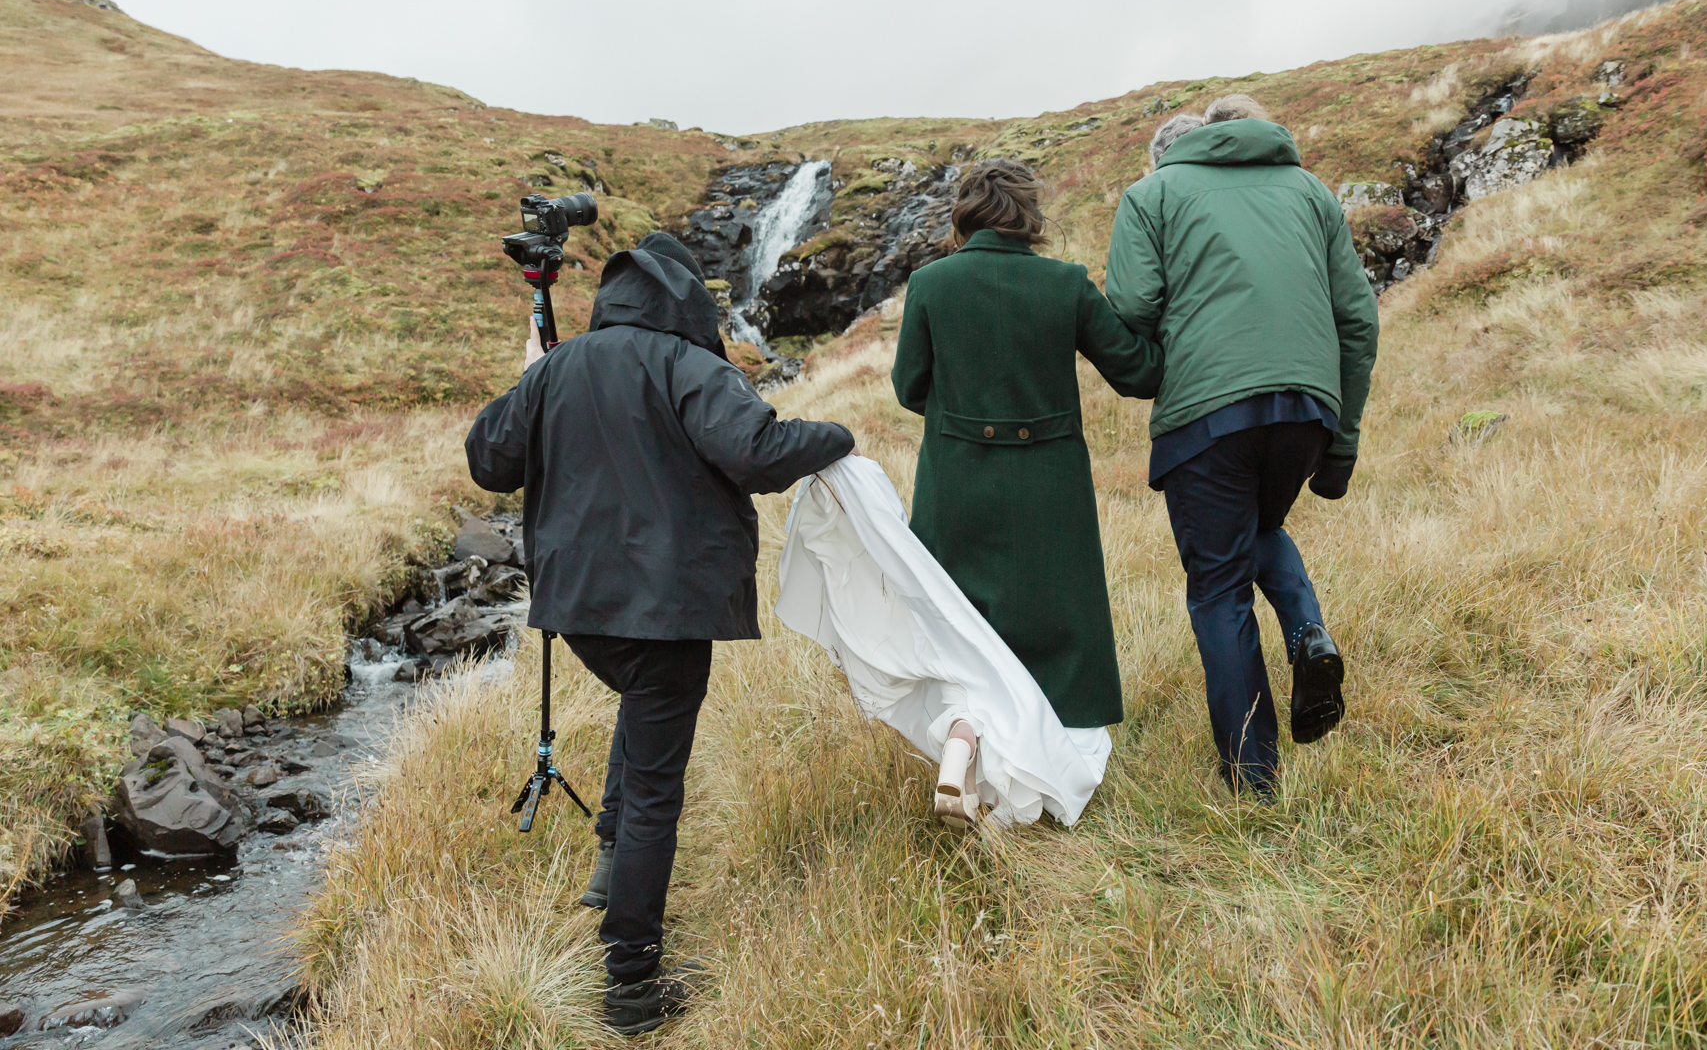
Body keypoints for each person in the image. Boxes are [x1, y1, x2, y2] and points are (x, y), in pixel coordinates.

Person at [465, 231, 854, 1035]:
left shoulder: (561, 366)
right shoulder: (693, 367)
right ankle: (633, 985)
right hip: (668, 609)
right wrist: (839, 438)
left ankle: (609, 870)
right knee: (656, 789)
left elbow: (488, 461)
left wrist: (534, 380)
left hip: (577, 607)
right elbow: (758, 451)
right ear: (687, 299)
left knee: (639, 718)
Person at [1104, 94, 1379, 802]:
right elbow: (1357, 316)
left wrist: (1151, 366)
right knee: (1259, 528)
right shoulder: (1311, 189)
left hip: (1209, 412)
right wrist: (1340, 442)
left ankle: (1253, 783)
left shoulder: (1153, 193)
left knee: (1219, 587)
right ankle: (1309, 634)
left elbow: (1132, 308)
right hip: (1308, 407)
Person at [891, 159, 1163, 824]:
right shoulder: (1064, 284)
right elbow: (1136, 371)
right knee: (1056, 635)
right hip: (1048, 490)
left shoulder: (930, 284)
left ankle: (963, 743)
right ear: (1028, 214)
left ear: (967, 212)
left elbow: (907, 387)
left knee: (964, 628)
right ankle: (1037, 792)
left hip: (955, 483)